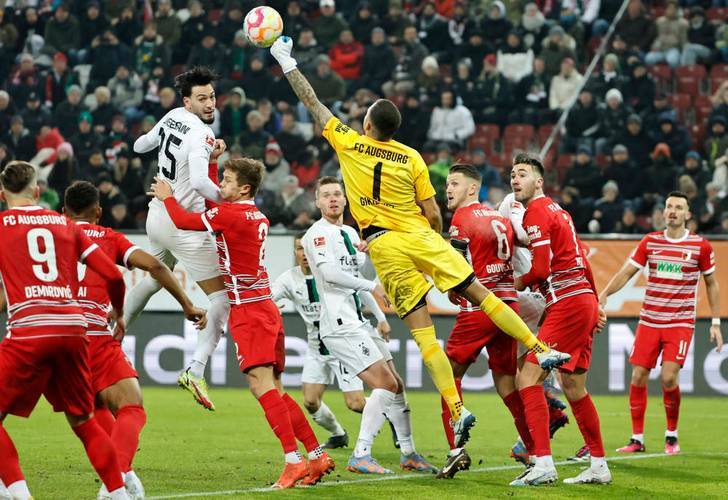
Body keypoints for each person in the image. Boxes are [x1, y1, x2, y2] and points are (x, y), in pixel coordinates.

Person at [271, 36, 570, 462]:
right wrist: (433, 255)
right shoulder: (411, 156)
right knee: (481, 295)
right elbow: (432, 212)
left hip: (384, 244)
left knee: (424, 333)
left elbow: (313, 102)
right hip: (422, 235)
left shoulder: (349, 143)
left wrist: (285, 59)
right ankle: (541, 349)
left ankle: (457, 408)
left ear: (368, 125)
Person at [150, 158, 335, 489]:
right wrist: (212, 163)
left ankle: (293, 461)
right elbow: (214, 203)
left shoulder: (231, 215)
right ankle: (316, 455)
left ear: (245, 188)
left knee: (259, 386)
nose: (221, 184)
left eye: (227, 180)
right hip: (266, 306)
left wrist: (167, 197)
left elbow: (183, 221)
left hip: (249, 311)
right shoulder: (255, 215)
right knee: (276, 389)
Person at [63, 180, 208, 499]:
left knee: (95, 406)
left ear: (64, 212)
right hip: (94, 334)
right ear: (98, 212)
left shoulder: (49, 234)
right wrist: (187, 304)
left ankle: (121, 476)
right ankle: (115, 482)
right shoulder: (107, 237)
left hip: (55, 336)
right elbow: (155, 265)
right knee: (131, 407)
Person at [0, 161, 130, 500]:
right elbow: (114, 275)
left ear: (2, 195)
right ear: (37, 191)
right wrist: (118, 314)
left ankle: (20, 494)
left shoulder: (2, 226)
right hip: (74, 329)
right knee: (84, 421)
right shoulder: (65, 225)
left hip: (30, 329)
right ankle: (119, 494)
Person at [300, 177, 435, 474]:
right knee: (385, 385)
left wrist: (380, 317)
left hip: (359, 322)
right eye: (326, 195)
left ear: (345, 199)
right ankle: (361, 454)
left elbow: (358, 281)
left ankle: (409, 453)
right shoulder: (317, 234)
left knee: (396, 384)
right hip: (340, 324)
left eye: (337, 194)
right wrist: (372, 286)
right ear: (318, 202)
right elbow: (331, 274)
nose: (333, 199)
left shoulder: (349, 232)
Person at [125, 67, 230, 411]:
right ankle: (195, 370)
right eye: (201, 98)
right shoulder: (202, 134)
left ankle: (113, 334)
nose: (210, 103)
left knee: (155, 278)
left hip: (157, 215)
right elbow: (199, 183)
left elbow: (140, 145)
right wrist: (229, 203)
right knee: (223, 299)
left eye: (211, 96)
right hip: (182, 225)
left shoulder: (172, 116)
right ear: (188, 101)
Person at [509, 153, 611, 486]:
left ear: (539, 181)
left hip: (566, 302)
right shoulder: (560, 212)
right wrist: (595, 305)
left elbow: (539, 270)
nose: (515, 179)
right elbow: (583, 259)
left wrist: (514, 284)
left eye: (522, 174)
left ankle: (543, 463)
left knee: (527, 379)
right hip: (582, 299)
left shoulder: (536, 212)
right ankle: (598, 465)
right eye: (513, 175)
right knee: (574, 387)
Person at [599, 191, 722, 455]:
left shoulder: (700, 246)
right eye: (669, 206)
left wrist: (715, 321)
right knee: (638, 375)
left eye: (679, 207)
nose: (673, 211)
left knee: (668, 377)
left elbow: (712, 283)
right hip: (649, 321)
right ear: (664, 212)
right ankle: (637, 439)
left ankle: (671, 435)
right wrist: (605, 294)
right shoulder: (650, 241)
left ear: (688, 214)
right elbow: (627, 272)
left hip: (680, 322)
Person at [437, 164, 534, 478]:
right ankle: (534, 449)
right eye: (447, 184)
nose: (448, 189)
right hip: (508, 307)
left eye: (454, 183)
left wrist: (453, 289)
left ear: (472, 188)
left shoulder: (461, 219)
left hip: (480, 307)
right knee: (506, 382)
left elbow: (456, 264)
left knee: (447, 375)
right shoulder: (499, 218)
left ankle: (455, 451)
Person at [272, 233, 366, 449]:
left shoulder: (331, 273)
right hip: (317, 349)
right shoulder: (289, 279)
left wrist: (380, 319)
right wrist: (270, 307)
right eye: (299, 249)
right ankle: (338, 434)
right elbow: (268, 296)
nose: (304, 254)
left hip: (342, 347)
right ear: (294, 252)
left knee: (356, 404)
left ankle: (390, 411)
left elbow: (360, 289)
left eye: (307, 249)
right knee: (310, 401)